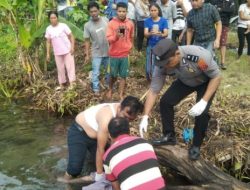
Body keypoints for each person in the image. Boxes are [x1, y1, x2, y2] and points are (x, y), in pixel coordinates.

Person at [139, 39, 221, 160]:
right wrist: (145, 116)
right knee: (166, 102)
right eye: (163, 64)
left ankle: (196, 145)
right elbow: (154, 90)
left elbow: (216, 76)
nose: (165, 67)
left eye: (168, 62)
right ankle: (169, 135)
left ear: (177, 53)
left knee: (202, 113)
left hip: (205, 81)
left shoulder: (198, 57)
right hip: (185, 81)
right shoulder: (162, 65)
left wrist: (203, 102)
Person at [59, 96, 143, 183]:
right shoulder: (106, 117)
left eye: (131, 119)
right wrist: (99, 175)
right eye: (125, 117)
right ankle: (65, 182)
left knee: (107, 167)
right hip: (79, 132)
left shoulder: (122, 113)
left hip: (96, 137)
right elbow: (100, 149)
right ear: (120, 107)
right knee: (75, 169)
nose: (127, 121)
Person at [103, 117, 166, 190]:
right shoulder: (146, 143)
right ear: (129, 131)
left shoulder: (107, 157)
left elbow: (116, 186)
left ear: (109, 135)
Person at [106, 2, 134, 100]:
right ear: (116, 11)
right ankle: (110, 89)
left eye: (123, 11)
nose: (121, 13)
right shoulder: (111, 23)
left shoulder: (130, 23)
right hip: (114, 54)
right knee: (112, 75)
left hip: (125, 54)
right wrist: (116, 37)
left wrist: (130, 46)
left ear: (127, 12)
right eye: (119, 11)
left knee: (123, 76)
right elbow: (109, 39)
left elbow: (131, 36)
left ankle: (121, 94)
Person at [45, 10, 76, 90]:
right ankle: (62, 83)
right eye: (51, 18)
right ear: (49, 19)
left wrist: (72, 47)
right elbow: (48, 42)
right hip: (57, 52)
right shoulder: (48, 29)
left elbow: (71, 36)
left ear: (57, 18)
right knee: (60, 68)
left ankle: (72, 83)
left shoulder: (63, 26)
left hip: (67, 50)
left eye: (54, 17)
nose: (53, 19)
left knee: (70, 67)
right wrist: (48, 53)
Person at [84, 2, 110, 95]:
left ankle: (108, 85)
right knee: (96, 72)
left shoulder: (105, 20)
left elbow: (111, 34)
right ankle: (96, 89)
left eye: (95, 11)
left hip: (107, 51)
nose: (94, 13)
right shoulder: (87, 25)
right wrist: (87, 54)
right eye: (91, 12)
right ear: (89, 13)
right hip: (96, 52)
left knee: (109, 70)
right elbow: (87, 41)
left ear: (99, 11)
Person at [144, 3, 168, 82]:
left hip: (160, 46)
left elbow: (166, 34)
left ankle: (156, 80)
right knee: (149, 67)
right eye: (151, 10)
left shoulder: (163, 20)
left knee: (158, 64)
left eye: (155, 10)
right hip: (151, 46)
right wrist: (151, 33)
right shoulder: (147, 21)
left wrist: (160, 34)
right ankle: (150, 78)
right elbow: (146, 34)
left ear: (158, 11)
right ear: (149, 11)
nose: (153, 12)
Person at [210, 0, 235, 70]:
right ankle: (213, 61)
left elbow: (231, 11)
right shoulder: (215, 1)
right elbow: (212, 10)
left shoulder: (231, 1)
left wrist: (220, 9)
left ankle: (223, 63)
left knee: (223, 43)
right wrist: (224, 10)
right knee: (212, 42)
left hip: (225, 24)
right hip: (214, 23)